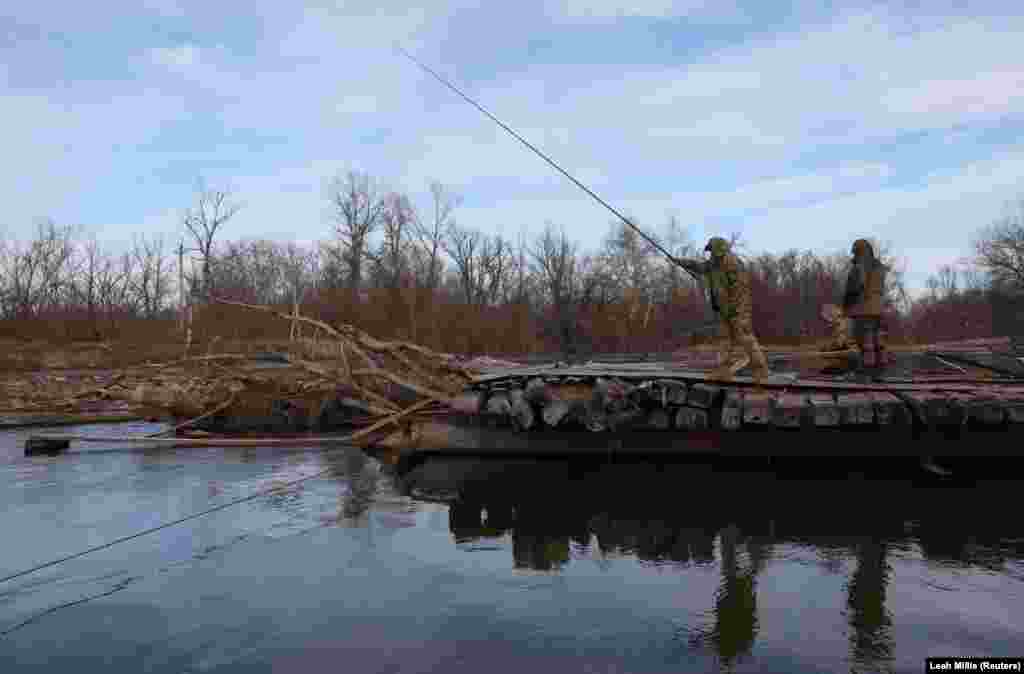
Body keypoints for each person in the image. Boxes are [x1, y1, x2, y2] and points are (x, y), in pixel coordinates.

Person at [678, 237, 770, 382]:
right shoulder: (714, 264)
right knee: (726, 341)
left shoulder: (732, 263)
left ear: (720, 250)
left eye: (712, 251)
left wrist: (736, 311)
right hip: (724, 309)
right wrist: (683, 263)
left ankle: (761, 371)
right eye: (710, 252)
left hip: (738, 310)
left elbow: (739, 289)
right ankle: (724, 372)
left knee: (746, 339)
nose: (711, 254)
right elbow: (701, 267)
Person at [842, 238, 888, 380]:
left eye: (855, 252)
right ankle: (878, 374)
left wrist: (846, 306)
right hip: (878, 311)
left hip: (862, 310)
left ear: (858, 251)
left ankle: (863, 374)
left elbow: (855, 288)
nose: (853, 255)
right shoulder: (879, 268)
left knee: (864, 343)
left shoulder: (860, 267)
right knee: (877, 343)